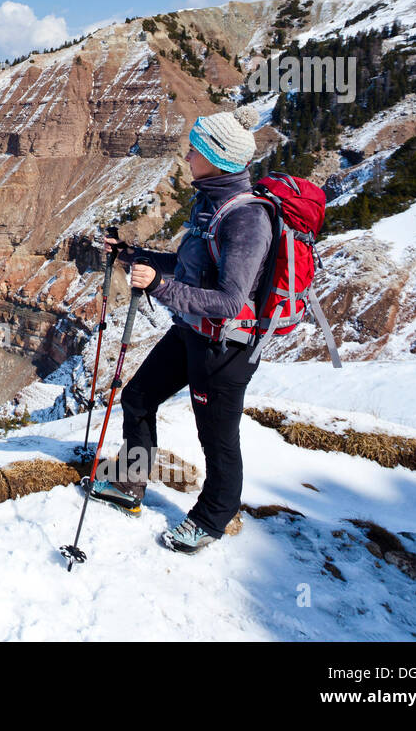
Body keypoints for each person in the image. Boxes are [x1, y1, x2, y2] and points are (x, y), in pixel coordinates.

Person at [92, 105, 270, 553]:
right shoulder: (212, 202)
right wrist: (136, 257)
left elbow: (230, 301)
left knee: (217, 439)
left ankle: (211, 520)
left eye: (196, 148)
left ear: (217, 156)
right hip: (193, 330)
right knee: (137, 397)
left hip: (225, 348)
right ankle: (130, 485)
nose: (188, 155)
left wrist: (162, 287)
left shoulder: (246, 220)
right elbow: (190, 266)